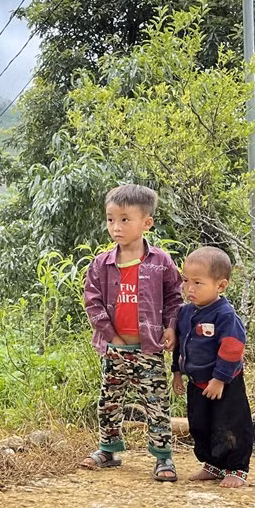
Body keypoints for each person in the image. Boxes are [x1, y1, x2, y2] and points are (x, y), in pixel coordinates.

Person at [81, 184, 183, 481]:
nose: (116, 226)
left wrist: (171, 328)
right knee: (109, 399)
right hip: (115, 349)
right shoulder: (101, 264)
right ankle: (108, 450)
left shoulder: (161, 262)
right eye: (111, 219)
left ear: (146, 223)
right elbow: (93, 302)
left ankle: (163, 458)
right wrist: (111, 337)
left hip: (149, 348)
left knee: (157, 403)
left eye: (125, 219)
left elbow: (174, 298)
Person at [172, 246, 252, 488]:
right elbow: (181, 343)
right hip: (197, 382)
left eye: (198, 283)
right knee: (199, 423)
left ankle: (237, 468)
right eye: (186, 281)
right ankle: (212, 464)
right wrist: (177, 372)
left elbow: (232, 348)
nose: (189, 289)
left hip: (225, 383)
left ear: (221, 286)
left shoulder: (225, 315)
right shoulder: (185, 313)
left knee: (230, 423)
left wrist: (220, 379)